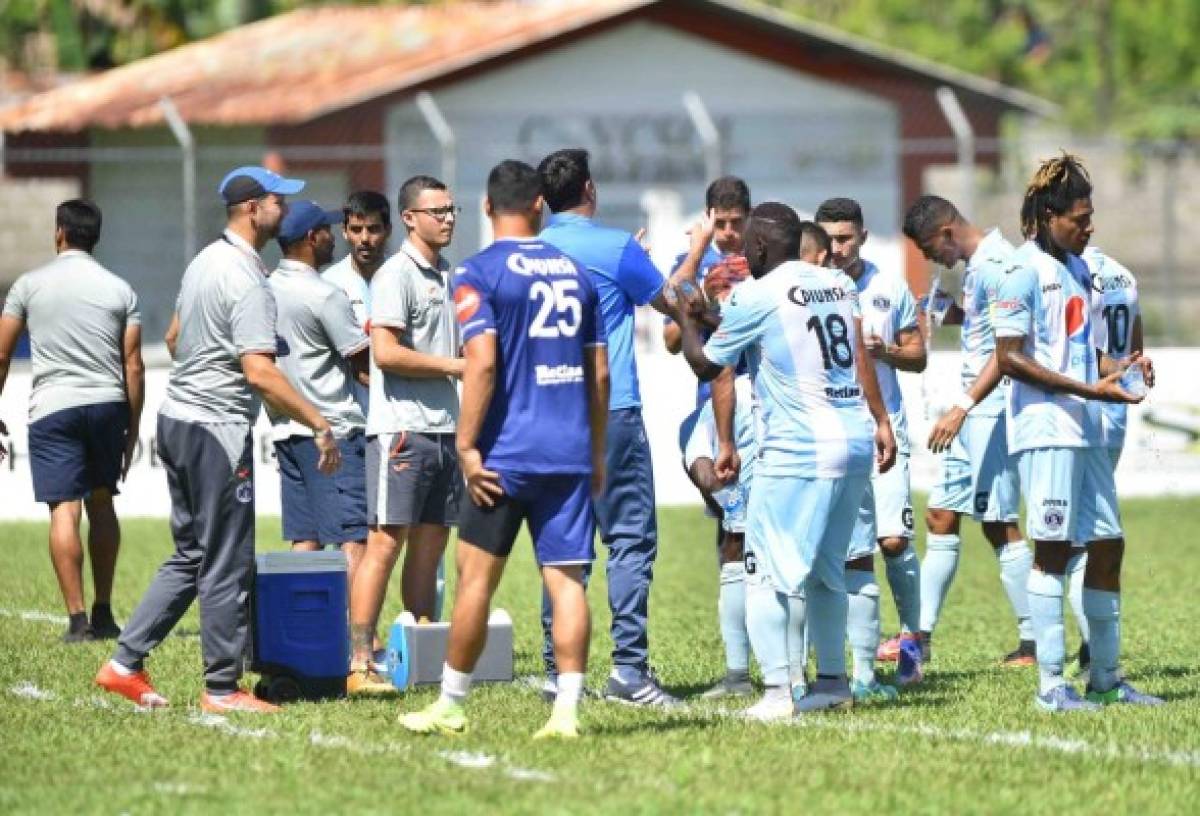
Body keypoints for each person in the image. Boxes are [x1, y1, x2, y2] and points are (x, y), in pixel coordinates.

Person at [95, 166, 343, 713]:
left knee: (191, 555)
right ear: (254, 209)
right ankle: (222, 689)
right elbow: (259, 372)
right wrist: (318, 422)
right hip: (216, 431)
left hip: (178, 419)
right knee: (227, 561)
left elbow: (177, 336)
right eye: (279, 200)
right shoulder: (248, 279)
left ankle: (122, 665)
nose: (286, 209)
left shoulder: (205, 259)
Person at [400, 159, 608, 739]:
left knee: (474, 581)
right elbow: (600, 372)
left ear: (488, 207)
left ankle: (451, 703)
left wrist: (467, 445)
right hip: (568, 451)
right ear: (540, 205)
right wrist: (594, 452)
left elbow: (484, 362)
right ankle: (566, 712)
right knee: (566, 582)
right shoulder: (576, 272)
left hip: (505, 456)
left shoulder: (478, 272)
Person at [672, 201, 897, 719]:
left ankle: (776, 692)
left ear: (757, 247)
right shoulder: (837, 282)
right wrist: (882, 419)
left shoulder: (757, 293)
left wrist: (689, 320)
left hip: (798, 450)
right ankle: (833, 682)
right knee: (826, 572)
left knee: (763, 573)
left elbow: (708, 363)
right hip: (854, 440)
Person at [994, 152, 1161, 710]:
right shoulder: (1020, 270)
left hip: (1085, 426)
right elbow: (1011, 358)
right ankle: (1051, 687)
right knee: (1053, 551)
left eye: (1091, 216)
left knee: (1109, 545)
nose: (1089, 227)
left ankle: (1107, 680)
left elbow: (1076, 350)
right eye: (1078, 218)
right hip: (1045, 428)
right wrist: (1090, 388)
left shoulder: (1080, 268)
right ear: (1047, 214)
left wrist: (1116, 368)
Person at [537, 148, 680, 705]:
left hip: (548, 412)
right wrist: (653, 263)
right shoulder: (617, 246)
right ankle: (628, 671)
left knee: (562, 547)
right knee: (628, 540)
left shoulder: (531, 252)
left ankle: (556, 673)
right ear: (590, 188)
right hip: (611, 406)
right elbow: (670, 303)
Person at [0, 199, 143, 643]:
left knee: (65, 508)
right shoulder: (121, 289)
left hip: (53, 407)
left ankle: (77, 621)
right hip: (106, 404)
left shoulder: (28, 285)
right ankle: (104, 613)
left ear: (60, 231)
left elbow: (2, 352)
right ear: (95, 236)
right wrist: (132, 427)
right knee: (102, 504)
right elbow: (133, 365)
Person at [902, 195, 1036, 667]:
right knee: (940, 515)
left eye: (927, 247)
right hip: (970, 411)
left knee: (1000, 523)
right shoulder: (978, 268)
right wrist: (949, 312)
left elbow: (1007, 350)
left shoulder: (999, 264)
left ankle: (1034, 641)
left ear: (945, 232)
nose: (928, 258)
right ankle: (919, 638)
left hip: (989, 409)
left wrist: (961, 407)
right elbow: (985, 323)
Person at [353, 176, 463, 694]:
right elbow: (386, 353)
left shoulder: (450, 275)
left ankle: (416, 657)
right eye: (437, 210)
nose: (448, 217)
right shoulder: (395, 274)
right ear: (409, 218)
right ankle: (359, 662)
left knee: (431, 548)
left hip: (445, 430)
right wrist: (454, 367)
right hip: (401, 430)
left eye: (451, 209)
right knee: (383, 544)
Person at [814, 198, 925, 684]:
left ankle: (912, 644)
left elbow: (919, 356)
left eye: (844, 238)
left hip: (886, 430)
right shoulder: (811, 288)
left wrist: (888, 351)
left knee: (894, 539)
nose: (836, 248)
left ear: (861, 234)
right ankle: (841, 660)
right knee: (841, 550)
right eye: (828, 239)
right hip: (833, 433)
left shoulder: (889, 286)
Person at [267, 201, 370, 579]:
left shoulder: (264, 288)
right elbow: (364, 371)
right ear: (313, 237)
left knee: (306, 539)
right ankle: (360, 636)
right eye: (328, 230)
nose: (333, 237)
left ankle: (301, 632)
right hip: (334, 431)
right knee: (355, 540)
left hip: (287, 430)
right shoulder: (324, 294)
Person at [1066, 246, 1143, 674]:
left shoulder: (1074, 272)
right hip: (1117, 410)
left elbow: (1076, 344)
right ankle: (1093, 645)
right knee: (1093, 528)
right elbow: (1136, 340)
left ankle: (1094, 649)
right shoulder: (1123, 273)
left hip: (1088, 407)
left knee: (1080, 539)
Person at [681, 373, 757, 699]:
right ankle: (740, 676)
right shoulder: (723, 399)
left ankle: (795, 675)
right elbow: (694, 450)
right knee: (735, 547)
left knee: (790, 562)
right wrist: (715, 488)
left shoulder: (734, 382)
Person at [324, 191, 393, 412]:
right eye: (356, 229)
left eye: (373, 229)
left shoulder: (401, 276)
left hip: (399, 411)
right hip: (350, 416)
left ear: (388, 230)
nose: (364, 239)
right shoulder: (329, 284)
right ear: (344, 232)